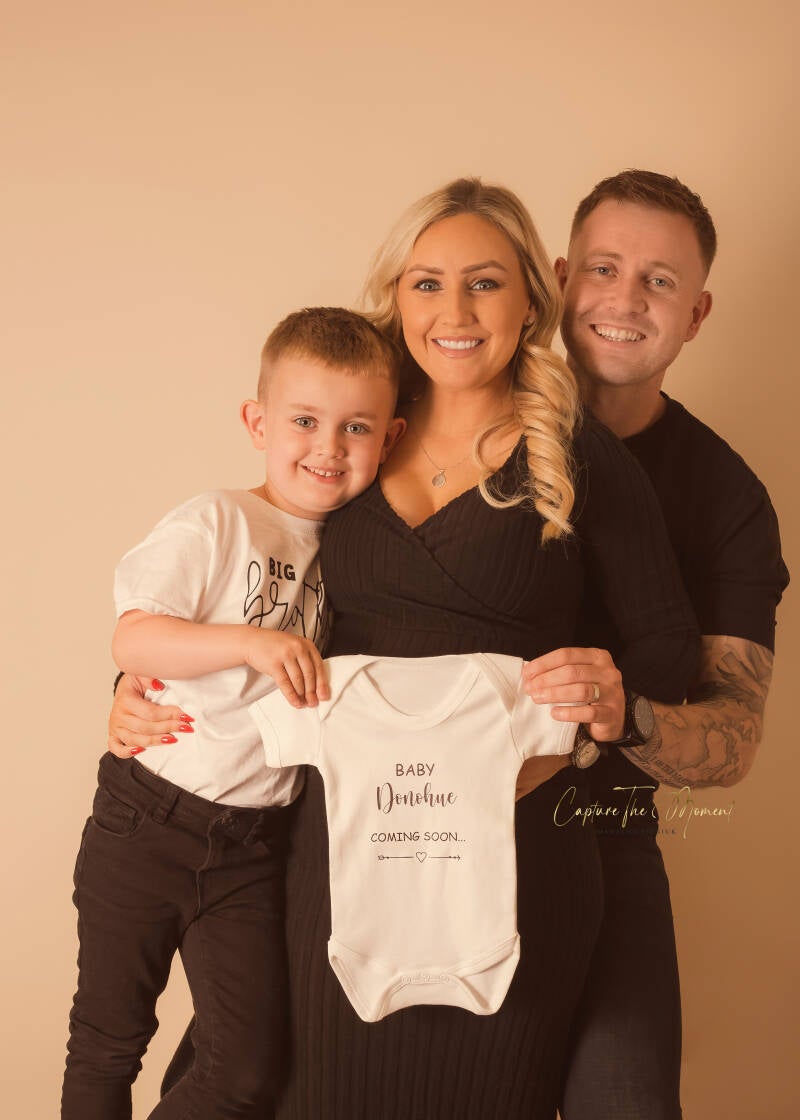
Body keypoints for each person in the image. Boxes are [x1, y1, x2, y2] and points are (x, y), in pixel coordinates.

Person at [108, 178, 699, 1118]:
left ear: (531, 300)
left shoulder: (579, 454)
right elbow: (252, 581)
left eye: (484, 283)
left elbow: (668, 655)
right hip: (336, 854)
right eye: (427, 283)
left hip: (516, 861)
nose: (453, 312)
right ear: (397, 296)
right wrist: (136, 678)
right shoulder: (358, 430)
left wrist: (596, 722)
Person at [62, 307, 405, 1120]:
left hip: (252, 846)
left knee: (246, 1074)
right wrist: (248, 643)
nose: (328, 447)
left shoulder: (357, 551)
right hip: (148, 820)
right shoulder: (218, 520)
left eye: (356, 427)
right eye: (304, 421)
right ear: (258, 423)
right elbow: (134, 636)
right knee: (109, 1042)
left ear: (389, 439)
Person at [540, 170, 789, 1119]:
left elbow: (736, 735)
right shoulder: (454, 415)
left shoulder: (728, 499)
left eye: (660, 281)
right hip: (425, 820)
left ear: (697, 313)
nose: (625, 299)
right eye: (604, 268)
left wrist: (627, 715)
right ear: (560, 278)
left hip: (601, 828)